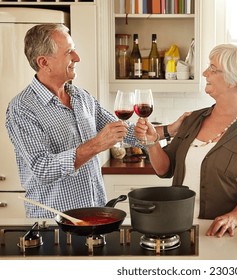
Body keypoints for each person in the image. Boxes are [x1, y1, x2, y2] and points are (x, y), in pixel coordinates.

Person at [5, 24, 186, 218]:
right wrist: (97, 144)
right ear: (43, 62)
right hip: (55, 224)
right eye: (69, 52)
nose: (77, 57)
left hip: (96, 214)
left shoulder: (80, 96)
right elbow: (43, 168)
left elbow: (124, 131)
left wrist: (169, 130)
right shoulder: (22, 109)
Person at [135, 44, 237, 237]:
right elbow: (165, 169)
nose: (205, 73)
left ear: (232, 80)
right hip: (180, 226)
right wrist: (152, 142)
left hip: (223, 233)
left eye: (213, 69)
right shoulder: (192, 120)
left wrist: (234, 217)